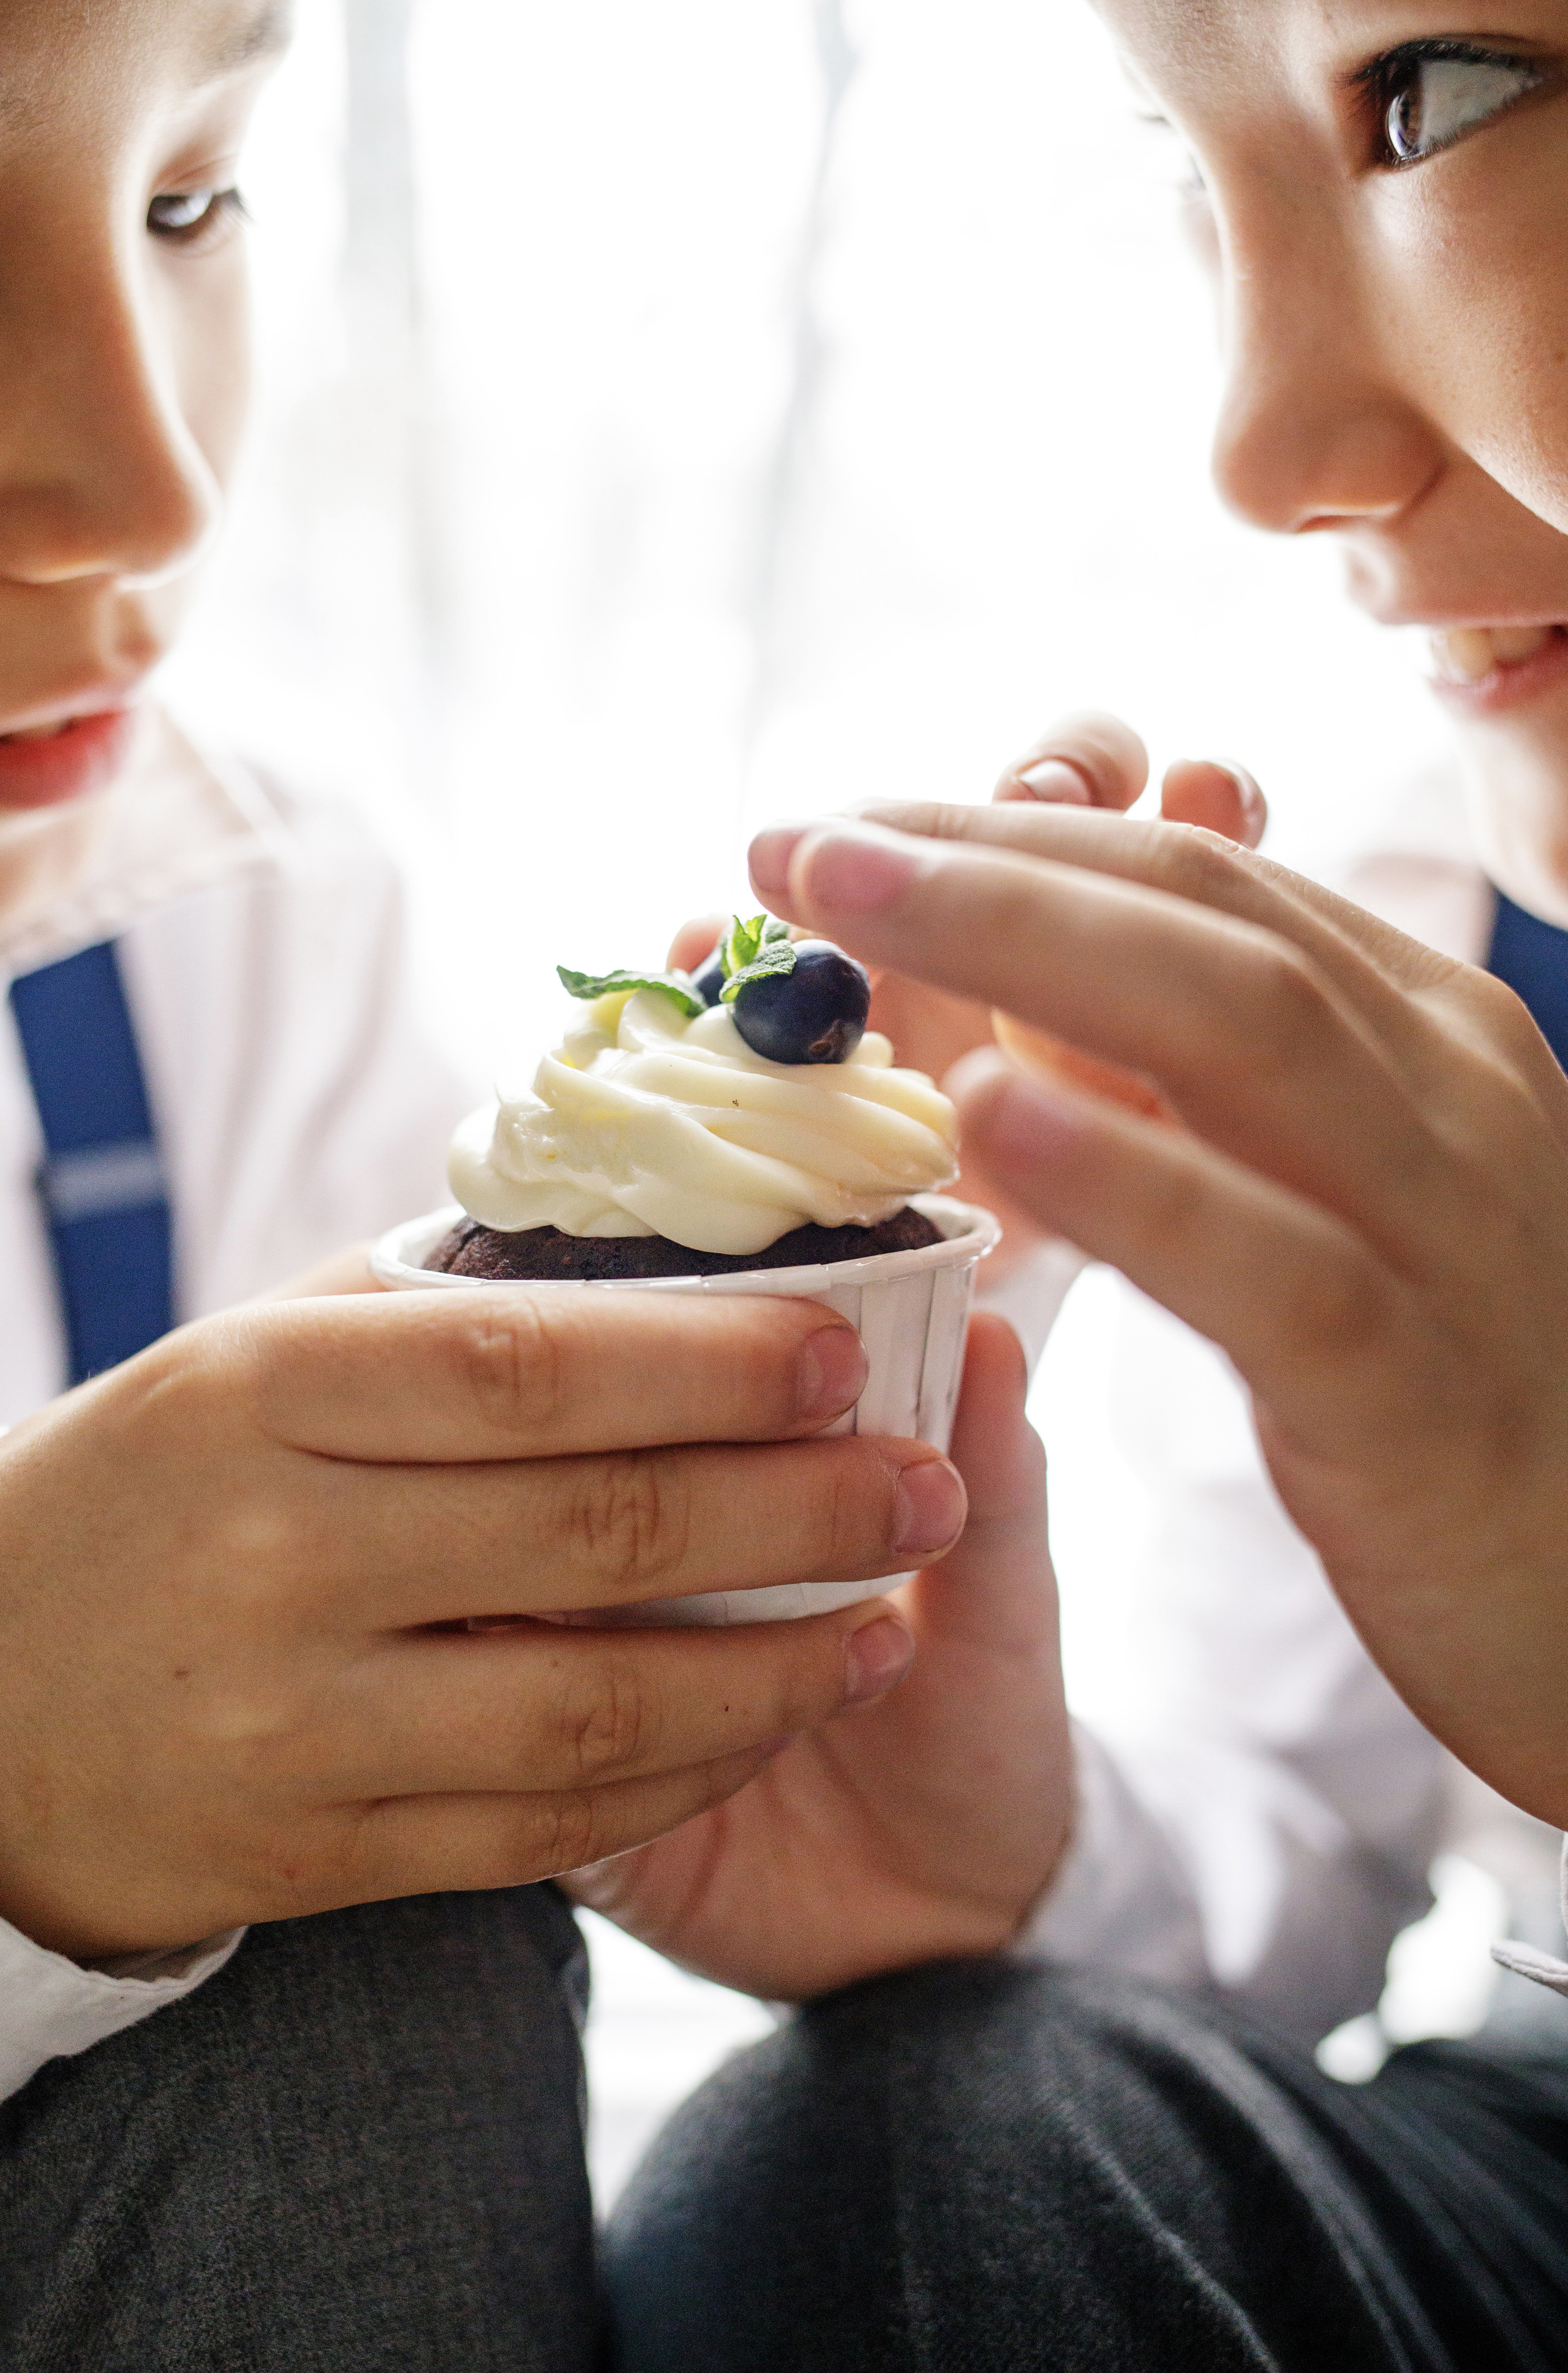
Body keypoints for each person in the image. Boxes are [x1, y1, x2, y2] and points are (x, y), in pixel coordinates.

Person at [600, 7, 1568, 2367]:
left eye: (1442, 97)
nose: (1262, 453)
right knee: (887, 2177)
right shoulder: (1451, 930)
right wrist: (982, 1860)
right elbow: (1313, 1854)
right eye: (1184, 163)